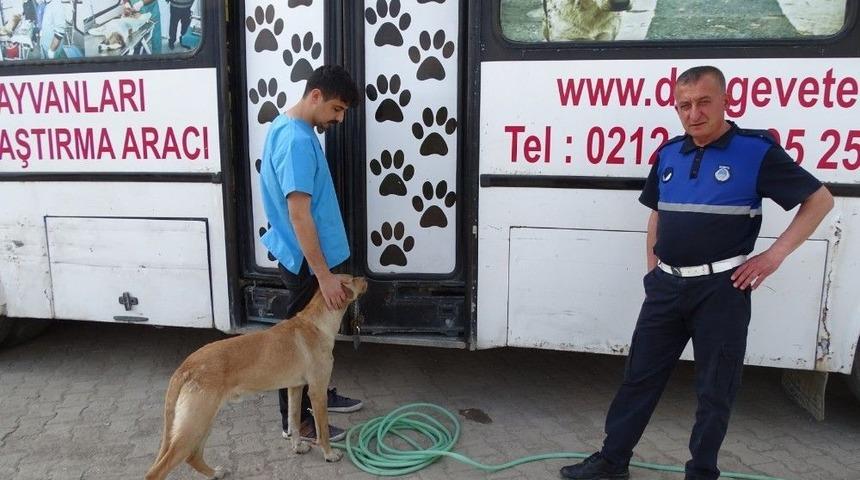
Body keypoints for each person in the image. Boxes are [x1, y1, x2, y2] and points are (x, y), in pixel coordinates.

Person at [559, 65, 834, 480]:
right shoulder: (669, 153)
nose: (694, 113)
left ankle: (701, 472)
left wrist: (773, 257)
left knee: (714, 390)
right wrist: (653, 272)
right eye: (684, 105)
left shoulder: (756, 152)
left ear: (726, 100)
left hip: (722, 291)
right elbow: (657, 214)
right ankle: (612, 461)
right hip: (666, 288)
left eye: (704, 102)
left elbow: (820, 200)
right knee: (639, 379)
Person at [259, 65, 363, 443]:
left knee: (313, 341)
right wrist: (323, 275)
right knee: (297, 344)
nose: (338, 118)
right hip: (306, 262)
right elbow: (298, 213)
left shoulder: (288, 128)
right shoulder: (297, 141)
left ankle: (319, 391)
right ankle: (298, 422)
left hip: (307, 257)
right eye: (336, 109)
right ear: (315, 95)